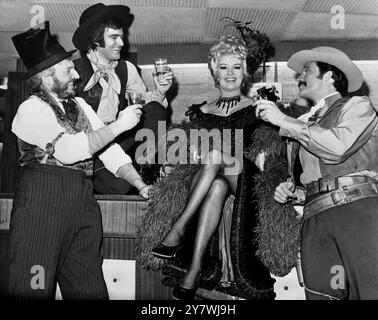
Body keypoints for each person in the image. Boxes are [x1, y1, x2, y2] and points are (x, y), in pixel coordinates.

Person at [8, 21, 149, 299]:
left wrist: (139, 183)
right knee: (33, 287)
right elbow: (70, 151)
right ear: (47, 77)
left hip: (83, 201)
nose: (76, 73)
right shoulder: (30, 108)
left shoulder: (81, 105)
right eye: (68, 69)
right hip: (43, 202)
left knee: (91, 290)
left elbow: (109, 151)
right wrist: (120, 126)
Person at [137, 35, 276, 300]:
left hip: (246, 182)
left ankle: (178, 229)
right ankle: (195, 269)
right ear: (214, 70)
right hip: (214, 179)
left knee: (214, 155)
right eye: (224, 67)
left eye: (236, 67)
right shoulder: (199, 111)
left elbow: (270, 155)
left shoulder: (259, 109)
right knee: (217, 184)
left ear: (246, 71)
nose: (230, 73)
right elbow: (178, 151)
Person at [255, 46, 378, 299]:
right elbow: (317, 174)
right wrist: (295, 192)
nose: (299, 77)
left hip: (355, 210)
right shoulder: (307, 121)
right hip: (314, 219)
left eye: (307, 71)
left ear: (330, 76)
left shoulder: (358, 106)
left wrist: (284, 120)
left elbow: (338, 148)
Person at [72, 3, 173, 194]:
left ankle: (146, 172)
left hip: (120, 140)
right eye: (114, 37)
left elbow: (146, 106)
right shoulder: (72, 70)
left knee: (155, 108)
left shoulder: (126, 68)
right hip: (88, 147)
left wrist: (160, 91)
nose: (121, 43)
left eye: (122, 37)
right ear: (95, 39)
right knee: (119, 187)